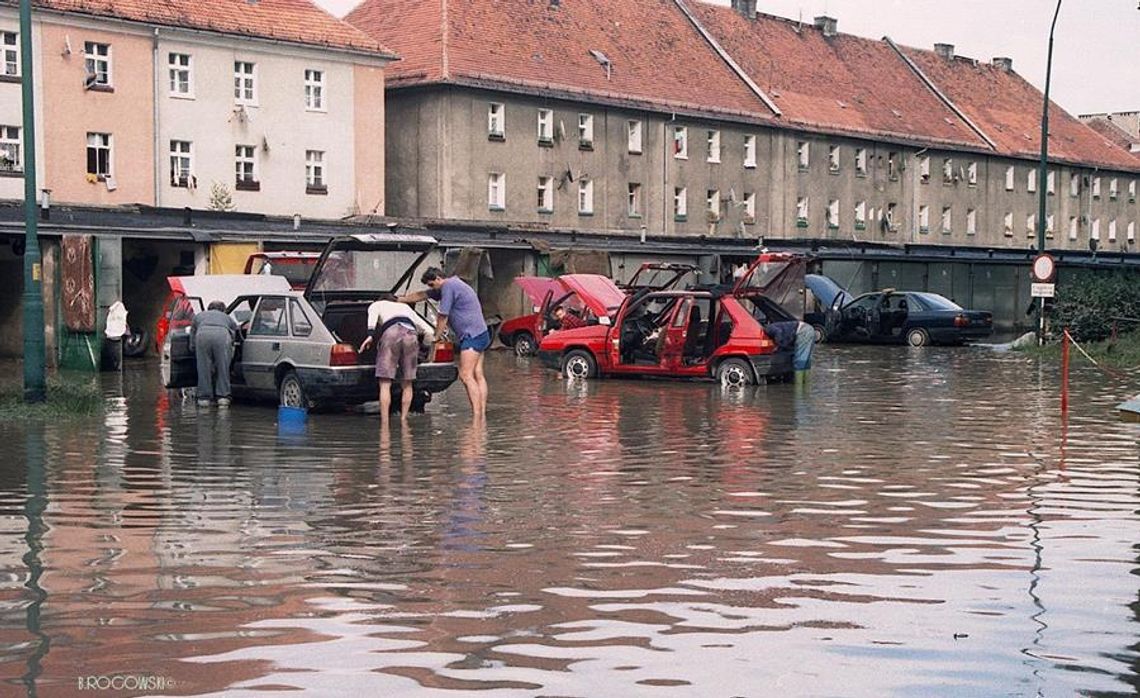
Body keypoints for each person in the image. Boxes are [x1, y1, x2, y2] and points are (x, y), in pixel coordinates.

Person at [399, 268, 490, 418]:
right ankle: (481, 414)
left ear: (438, 278)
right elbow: (421, 295)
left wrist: (436, 337)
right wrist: (400, 299)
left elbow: (442, 316)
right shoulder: (453, 284)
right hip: (481, 332)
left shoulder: (448, 287)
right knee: (478, 374)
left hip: (471, 336)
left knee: (465, 375)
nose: (431, 288)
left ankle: (477, 416)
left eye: (431, 284)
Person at [358, 293, 435, 425]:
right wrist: (424, 350)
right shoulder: (405, 307)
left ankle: (385, 422)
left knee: (385, 382)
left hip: (391, 334)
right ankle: (404, 419)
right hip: (411, 335)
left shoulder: (376, 304)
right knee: (407, 383)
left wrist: (370, 336)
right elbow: (429, 332)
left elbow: (372, 322)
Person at [190, 300, 238, 408]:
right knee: (223, 366)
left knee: (203, 367)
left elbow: (192, 334)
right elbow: (234, 332)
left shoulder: (199, 316)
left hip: (202, 336)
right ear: (223, 309)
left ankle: (204, 398)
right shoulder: (227, 317)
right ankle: (223, 397)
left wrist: (193, 348)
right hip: (222, 336)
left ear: (209, 308)